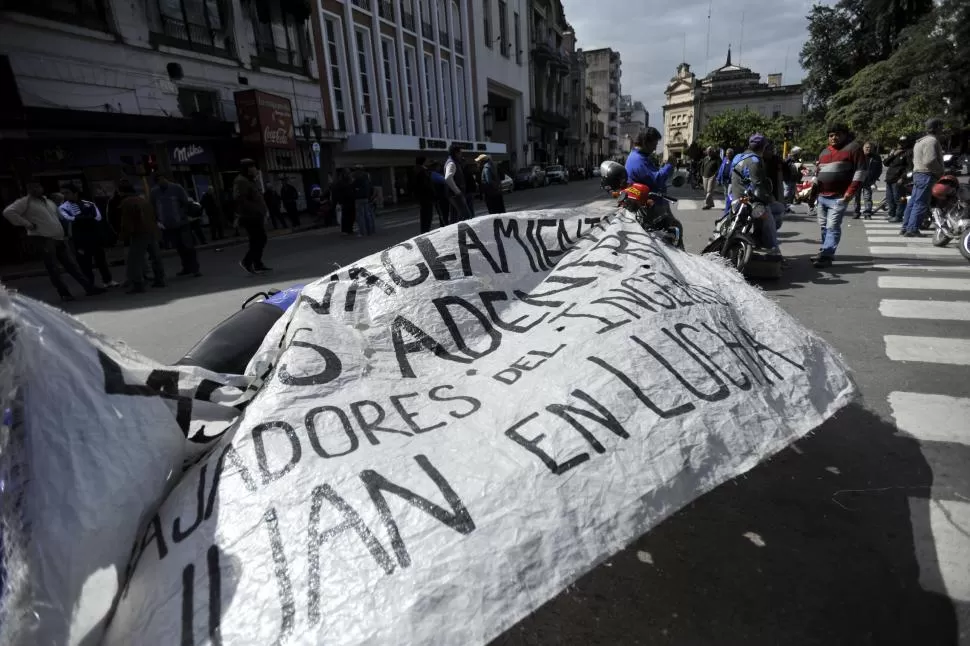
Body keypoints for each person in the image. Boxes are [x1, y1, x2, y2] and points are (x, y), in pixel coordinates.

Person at [3, 182, 104, 302]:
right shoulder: (25, 201)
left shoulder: (48, 202)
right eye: (33, 187)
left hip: (58, 238)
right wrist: (27, 224)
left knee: (72, 265)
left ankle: (89, 287)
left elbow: (60, 217)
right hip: (43, 238)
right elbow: (8, 212)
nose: (36, 189)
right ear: (29, 190)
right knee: (53, 268)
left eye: (38, 187)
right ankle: (64, 293)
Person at [811, 123, 865, 267]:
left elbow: (860, 172)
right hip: (822, 196)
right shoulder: (824, 152)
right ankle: (824, 251)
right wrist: (812, 194)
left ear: (845, 135)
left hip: (839, 196)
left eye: (838, 134)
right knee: (823, 226)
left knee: (832, 226)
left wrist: (850, 193)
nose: (834, 138)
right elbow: (818, 174)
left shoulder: (853, 148)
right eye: (831, 135)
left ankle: (827, 256)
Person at [58, 184, 119, 289]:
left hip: (93, 236)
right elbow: (69, 219)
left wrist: (82, 218)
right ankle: (89, 284)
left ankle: (107, 280)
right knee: (85, 263)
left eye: (67, 193)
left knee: (101, 260)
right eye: (63, 193)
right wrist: (85, 218)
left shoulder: (88, 204)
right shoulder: (63, 207)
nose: (65, 195)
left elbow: (98, 217)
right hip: (79, 239)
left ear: (75, 193)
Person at [729, 134, 781, 256]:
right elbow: (758, 187)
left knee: (777, 209)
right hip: (749, 204)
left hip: (735, 200)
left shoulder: (738, 157)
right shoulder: (754, 161)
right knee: (771, 216)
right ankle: (773, 250)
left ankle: (758, 235)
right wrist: (769, 198)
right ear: (763, 147)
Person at [117, 179, 165, 294]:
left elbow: (127, 223)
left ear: (121, 192)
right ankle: (160, 279)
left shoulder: (127, 203)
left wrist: (123, 237)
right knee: (155, 256)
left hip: (139, 233)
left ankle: (138, 284)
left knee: (134, 260)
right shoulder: (144, 201)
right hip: (151, 231)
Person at [149, 174, 201, 277]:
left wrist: (184, 215)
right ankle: (186, 267)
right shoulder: (154, 192)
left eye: (161, 180)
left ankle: (195, 269)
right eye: (158, 181)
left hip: (182, 223)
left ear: (165, 178)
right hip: (167, 225)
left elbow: (186, 202)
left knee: (188, 246)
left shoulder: (177, 188)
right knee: (179, 247)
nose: (161, 183)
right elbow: (153, 207)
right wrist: (157, 222)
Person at [901, 118, 945, 237]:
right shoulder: (931, 141)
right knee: (921, 203)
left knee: (913, 202)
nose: (942, 129)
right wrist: (940, 171)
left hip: (918, 174)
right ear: (935, 128)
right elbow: (930, 161)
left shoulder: (920, 141)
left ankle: (906, 227)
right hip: (926, 174)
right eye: (941, 126)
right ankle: (912, 229)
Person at [233, 158, 272, 274]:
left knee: (258, 239)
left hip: (256, 215)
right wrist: (256, 211)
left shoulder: (249, 180)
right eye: (254, 167)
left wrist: (263, 211)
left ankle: (257, 263)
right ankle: (248, 261)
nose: (256, 170)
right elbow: (241, 200)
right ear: (248, 169)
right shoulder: (241, 181)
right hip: (250, 217)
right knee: (259, 239)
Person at [624, 127, 674, 192]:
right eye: (654, 145)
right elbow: (657, 179)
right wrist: (669, 165)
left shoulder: (636, 155)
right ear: (645, 142)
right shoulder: (639, 160)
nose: (655, 149)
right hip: (648, 200)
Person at [882, 135, 913, 224]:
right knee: (890, 199)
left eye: (903, 142)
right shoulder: (895, 152)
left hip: (898, 179)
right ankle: (892, 214)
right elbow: (885, 163)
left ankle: (898, 216)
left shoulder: (909, 152)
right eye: (900, 142)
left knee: (899, 199)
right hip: (890, 178)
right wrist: (893, 154)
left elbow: (910, 167)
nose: (901, 144)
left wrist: (903, 178)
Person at [852, 142, 883, 220]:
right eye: (866, 147)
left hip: (868, 181)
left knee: (867, 198)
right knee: (856, 197)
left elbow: (879, 170)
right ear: (863, 148)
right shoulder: (858, 156)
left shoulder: (876, 157)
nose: (868, 149)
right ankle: (856, 212)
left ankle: (867, 213)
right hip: (858, 180)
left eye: (870, 147)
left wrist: (874, 179)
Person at [444, 144, 473, 222]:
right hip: (456, 195)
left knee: (455, 218)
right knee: (466, 216)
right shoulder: (451, 163)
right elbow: (448, 178)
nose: (461, 155)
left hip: (453, 195)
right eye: (460, 153)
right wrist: (458, 191)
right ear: (456, 153)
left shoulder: (453, 162)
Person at [414, 157, 436, 233]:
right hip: (426, 198)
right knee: (427, 217)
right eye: (427, 161)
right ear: (423, 162)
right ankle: (425, 232)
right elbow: (426, 186)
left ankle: (425, 231)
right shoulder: (422, 172)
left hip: (424, 198)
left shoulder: (420, 170)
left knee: (425, 217)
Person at [352, 166, 376, 236]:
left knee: (360, 216)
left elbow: (353, 187)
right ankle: (370, 231)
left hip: (359, 198)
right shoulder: (366, 179)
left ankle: (362, 232)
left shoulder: (357, 178)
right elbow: (371, 188)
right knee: (367, 215)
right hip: (366, 198)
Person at [333, 169, 356, 235]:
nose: (349, 175)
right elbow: (337, 193)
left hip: (351, 201)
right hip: (345, 202)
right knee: (346, 216)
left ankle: (350, 229)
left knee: (351, 216)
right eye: (347, 174)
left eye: (349, 173)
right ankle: (345, 230)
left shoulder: (350, 182)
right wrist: (339, 201)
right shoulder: (340, 183)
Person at [430, 162, 451, 227]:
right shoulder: (434, 174)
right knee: (443, 214)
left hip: (441, 197)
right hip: (440, 198)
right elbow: (445, 180)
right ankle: (444, 226)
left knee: (444, 213)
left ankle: (444, 225)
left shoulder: (436, 174)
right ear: (435, 167)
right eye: (438, 166)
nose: (439, 168)